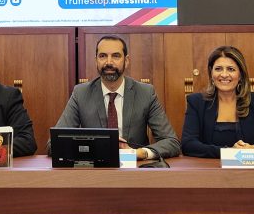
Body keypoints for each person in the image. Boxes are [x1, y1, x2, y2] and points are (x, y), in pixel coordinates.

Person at [51, 35, 180, 160]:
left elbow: (171, 142)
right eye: (103, 56)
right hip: (95, 168)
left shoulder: (145, 93)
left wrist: (140, 153)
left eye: (116, 56)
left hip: (134, 167)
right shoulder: (81, 94)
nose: (109, 62)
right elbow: (54, 143)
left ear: (126, 61)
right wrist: (92, 149)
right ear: (96, 60)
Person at [180, 46, 254, 158]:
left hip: (249, 168)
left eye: (231, 69)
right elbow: (188, 145)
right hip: (211, 169)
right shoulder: (197, 102)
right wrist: (229, 152)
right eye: (218, 69)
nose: (224, 75)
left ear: (240, 75)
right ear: (211, 73)